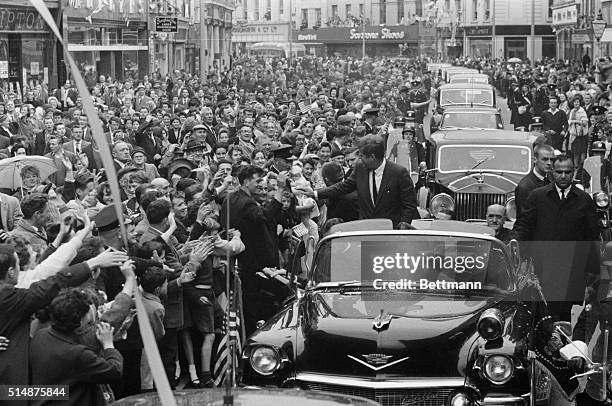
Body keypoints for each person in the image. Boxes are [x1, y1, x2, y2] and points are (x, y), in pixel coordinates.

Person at [513, 154, 600, 322]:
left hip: (570, 271)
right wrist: (516, 252)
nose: (563, 176)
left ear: (574, 173)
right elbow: (523, 227)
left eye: (567, 172)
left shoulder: (584, 200)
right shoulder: (538, 196)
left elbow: (592, 237)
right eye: (559, 171)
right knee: (538, 318)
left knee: (562, 319)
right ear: (552, 172)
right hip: (541, 270)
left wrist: (592, 274)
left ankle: (562, 347)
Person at [299, 134, 419, 227]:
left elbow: (410, 205)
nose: (359, 159)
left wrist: (402, 227)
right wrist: (316, 193)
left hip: (391, 232)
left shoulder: (398, 173)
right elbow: (344, 187)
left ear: (372, 157)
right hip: (366, 230)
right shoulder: (361, 168)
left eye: (362, 156)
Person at [29, 289, 124, 406]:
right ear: (80, 319)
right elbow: (114, 371)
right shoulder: (77, 353)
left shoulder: (41, 335)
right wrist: (108, 344)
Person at [515, 143, 554, 218]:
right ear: (535, 160)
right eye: (545, 159)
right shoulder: (525, 187)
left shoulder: (552, 177)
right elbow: (523, 218)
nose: (549, 163)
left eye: (552, 160)